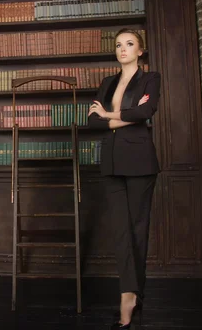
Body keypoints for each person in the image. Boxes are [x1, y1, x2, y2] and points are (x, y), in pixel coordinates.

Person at [86, 28, 161, 329]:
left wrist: (108, 116)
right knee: (120, 232)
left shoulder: (149, 79)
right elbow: (91, 120)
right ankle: (128, 293)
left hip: (140, 161)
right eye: (118, 45)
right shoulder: (107, 83)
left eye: (129, 44)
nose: (123, 49)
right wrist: (109, 118)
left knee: (136, 230)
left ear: (140, 50)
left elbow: (147, 110)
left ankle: (131, 293)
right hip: (111, 162)